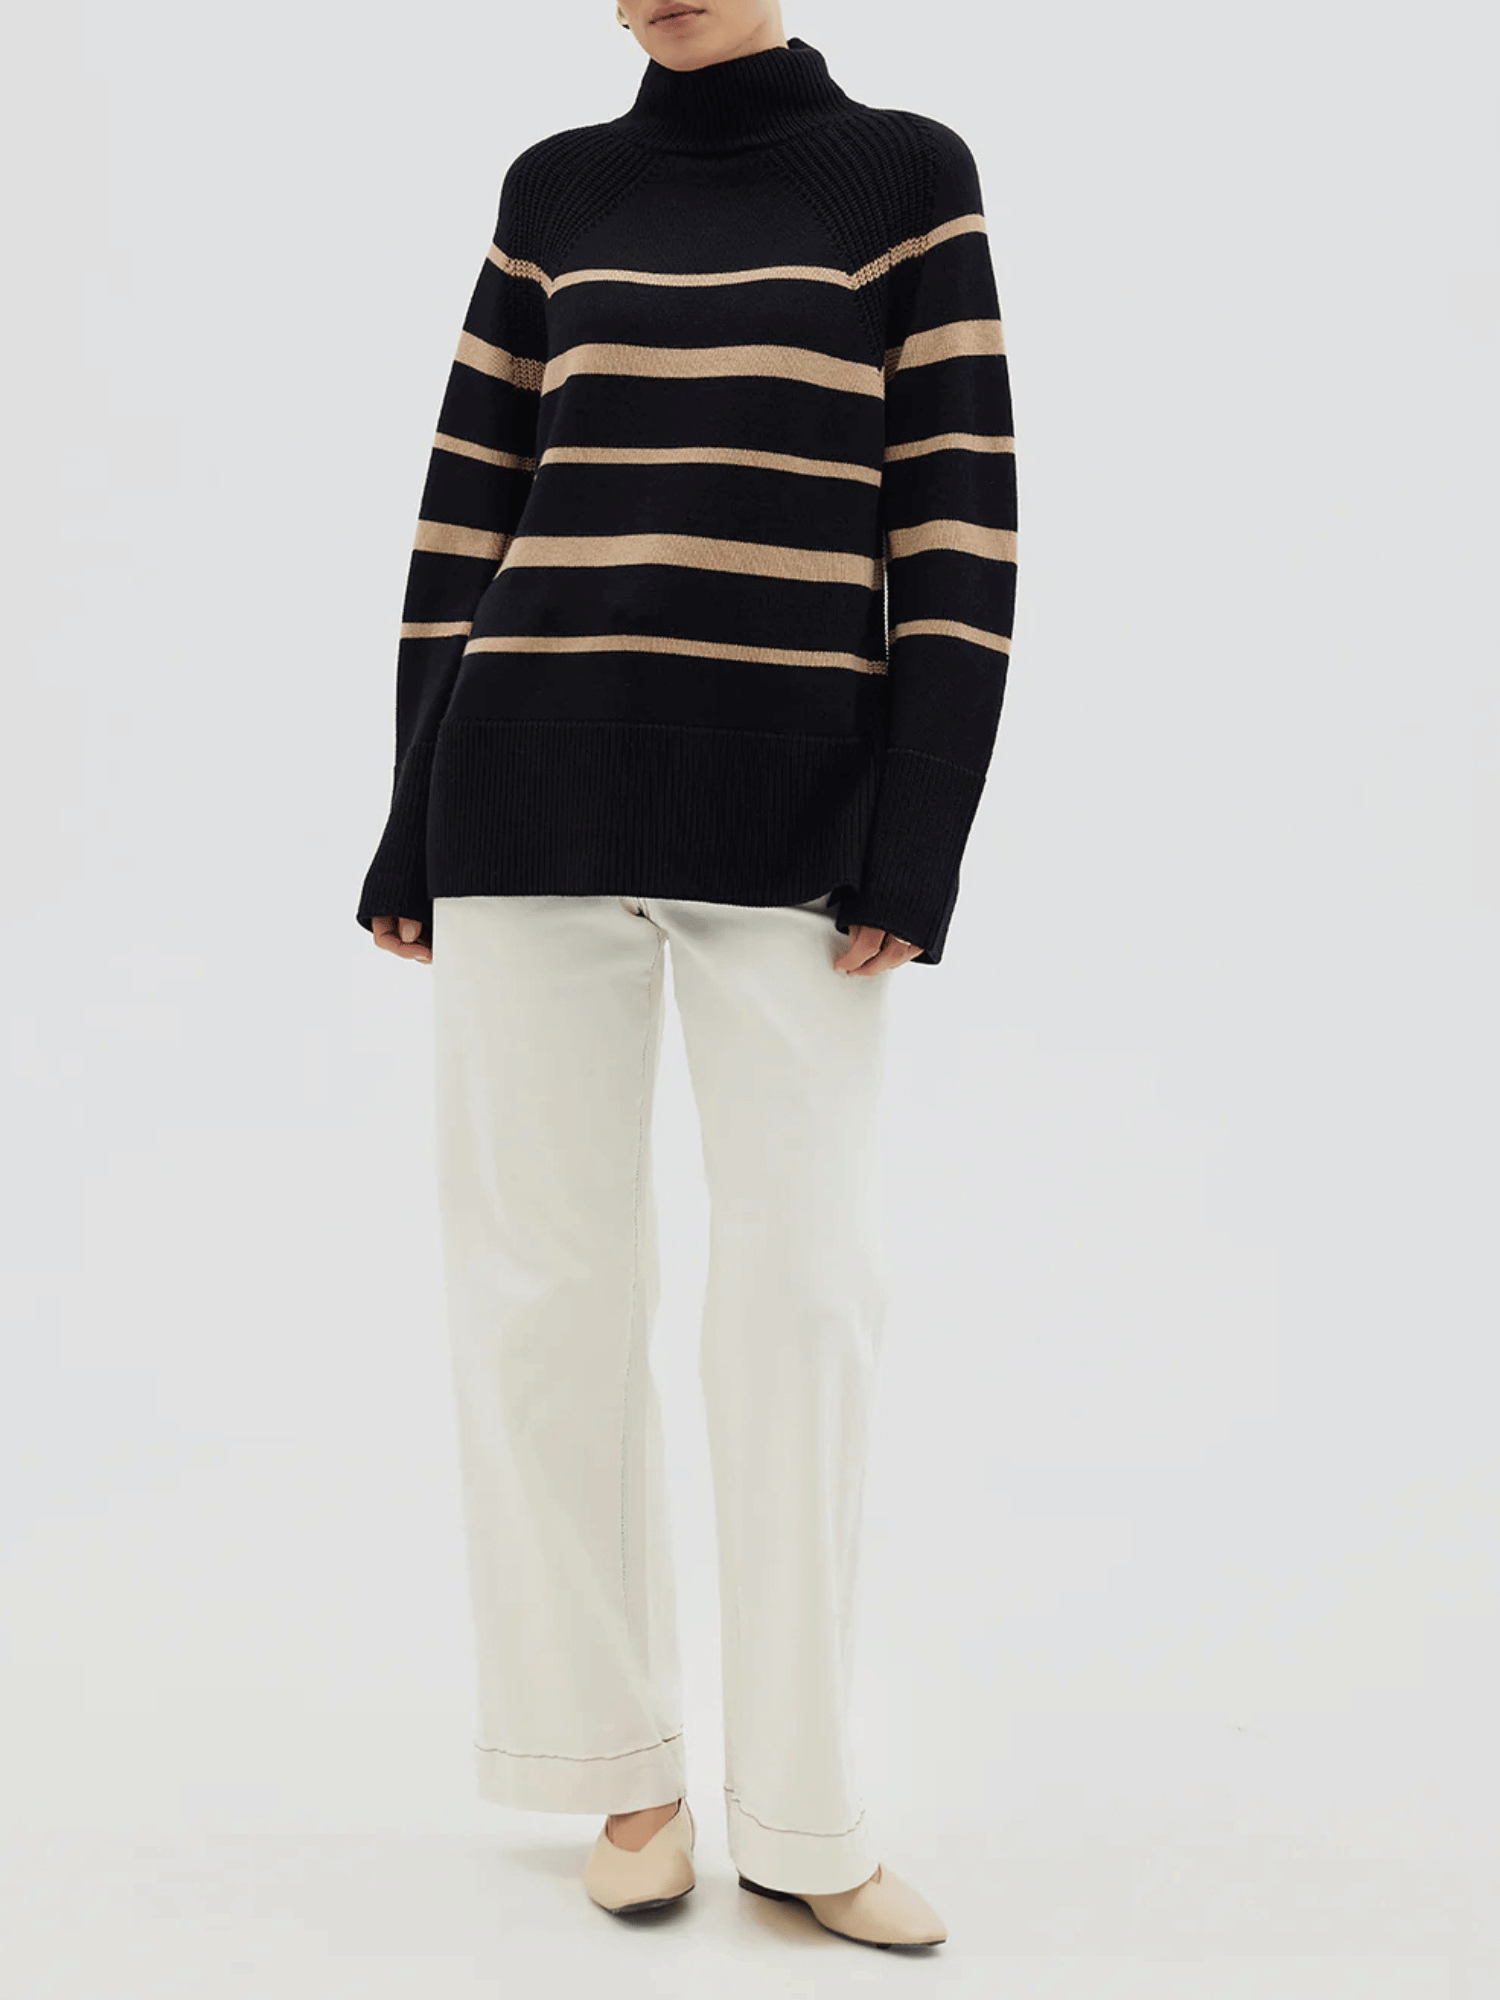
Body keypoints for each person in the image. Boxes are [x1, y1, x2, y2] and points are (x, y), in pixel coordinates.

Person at [355, 0, 1017, 1953]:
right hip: (522, 793)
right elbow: (466, 511)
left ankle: (805, 1814)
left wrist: (918, 836)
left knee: (802, 1297)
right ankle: (616, 1768)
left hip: (795, 820)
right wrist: (408, 812)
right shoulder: (557, 189)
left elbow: (958, 524)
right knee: (541, 1292)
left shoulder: (904, 179)